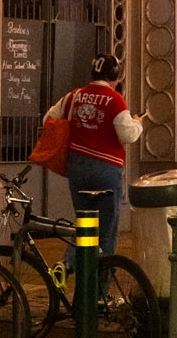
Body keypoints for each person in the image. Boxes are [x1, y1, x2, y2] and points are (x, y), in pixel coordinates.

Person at [46, 53, 144, 256]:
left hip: (77, 168)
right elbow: (127, 135)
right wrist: (138, 123)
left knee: (85, 225)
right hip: (105, 170)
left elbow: (49, 118)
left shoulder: (74, 96)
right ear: (114, 77)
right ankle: (102, 274)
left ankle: (71, 264)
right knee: (106, 230)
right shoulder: (115, 100)